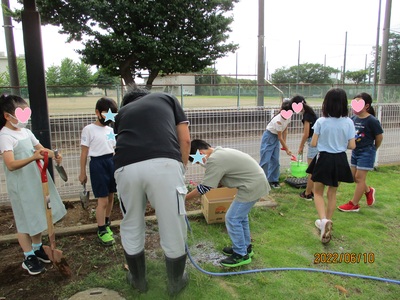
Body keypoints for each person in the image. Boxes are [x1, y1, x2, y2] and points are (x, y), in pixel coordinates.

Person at [113, 86, 191, 295]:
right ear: (146, 96)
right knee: (172, 222)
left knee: (131, 222)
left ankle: (138, 280)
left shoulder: (121, 114)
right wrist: (181, 168)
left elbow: (118, 143)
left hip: (125, 168)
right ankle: (175, 282)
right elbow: (185, 139)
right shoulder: (166, 98)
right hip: (164, 164)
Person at [0, 94, 67, 275]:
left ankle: (38, 247)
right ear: (7, 116)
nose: (24, 119)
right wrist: (33, 157)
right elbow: (11, 164)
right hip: (20, 185)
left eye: (26, 113)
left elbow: (40, 149)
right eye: (20, 114)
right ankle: (28, 256)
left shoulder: (26, 132)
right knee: (24, 221)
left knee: (37, 215)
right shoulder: (5, 136)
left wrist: (54, 154)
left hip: (35, 181)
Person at [186, 139, 270, 268]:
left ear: (200, 152)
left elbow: (204, 188)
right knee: (240, 218)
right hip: (254, 183)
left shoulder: (215, 160)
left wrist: (184, 198)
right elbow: (218, 180)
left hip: (251, 186)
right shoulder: (219, 153)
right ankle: (245, 247)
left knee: (232, 218)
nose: (200, 163)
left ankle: (240, 254)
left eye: (198, 160)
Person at [306, 88, 356, 244]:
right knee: (332, 193)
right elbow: (352, 145)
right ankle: (328, 221)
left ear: (326, 104)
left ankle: (323, 221)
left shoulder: (321, 121)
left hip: (324, 158)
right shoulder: (349, 122)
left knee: (318, 192)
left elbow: (313, 143)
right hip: (340, 159)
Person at [79, 97, 118, 246]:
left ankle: (107, 223)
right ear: (97, 112)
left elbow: (113, 147)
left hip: (111, 162)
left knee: (110, 197)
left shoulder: (110, 130)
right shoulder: (89, 129)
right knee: (102, 200)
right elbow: (84, 152)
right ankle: (101, 229)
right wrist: (82, 172)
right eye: (106, 113)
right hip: (97, 164)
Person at [338, 92, 383, 212]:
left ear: (367, 106)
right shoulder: (353, 119)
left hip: (367, 151)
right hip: (355, 151)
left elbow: (379, 137)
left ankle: (354, 204)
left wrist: (373, 149)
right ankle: (368, 191)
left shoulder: (372, 120)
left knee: (359, 178)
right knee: (353, 177)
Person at [260, 100, 293, 188]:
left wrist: (284, 144)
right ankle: (261, 181)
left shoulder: (289, 116)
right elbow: (279, 137)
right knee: (265, 161)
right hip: (269, 137)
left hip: (277, 138)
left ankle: (273, 180)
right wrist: (287, 149)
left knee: (275, 161)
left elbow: (285, 130)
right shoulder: (278, 120)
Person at [291, 95, 319, 200]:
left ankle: (307, 193)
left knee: (311, 170)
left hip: (313, 143)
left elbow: (306, 133)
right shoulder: (310, 113)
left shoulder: (307, 116)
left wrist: (300, 146)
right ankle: (312, 191)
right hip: (316, 142)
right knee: (314, 169)